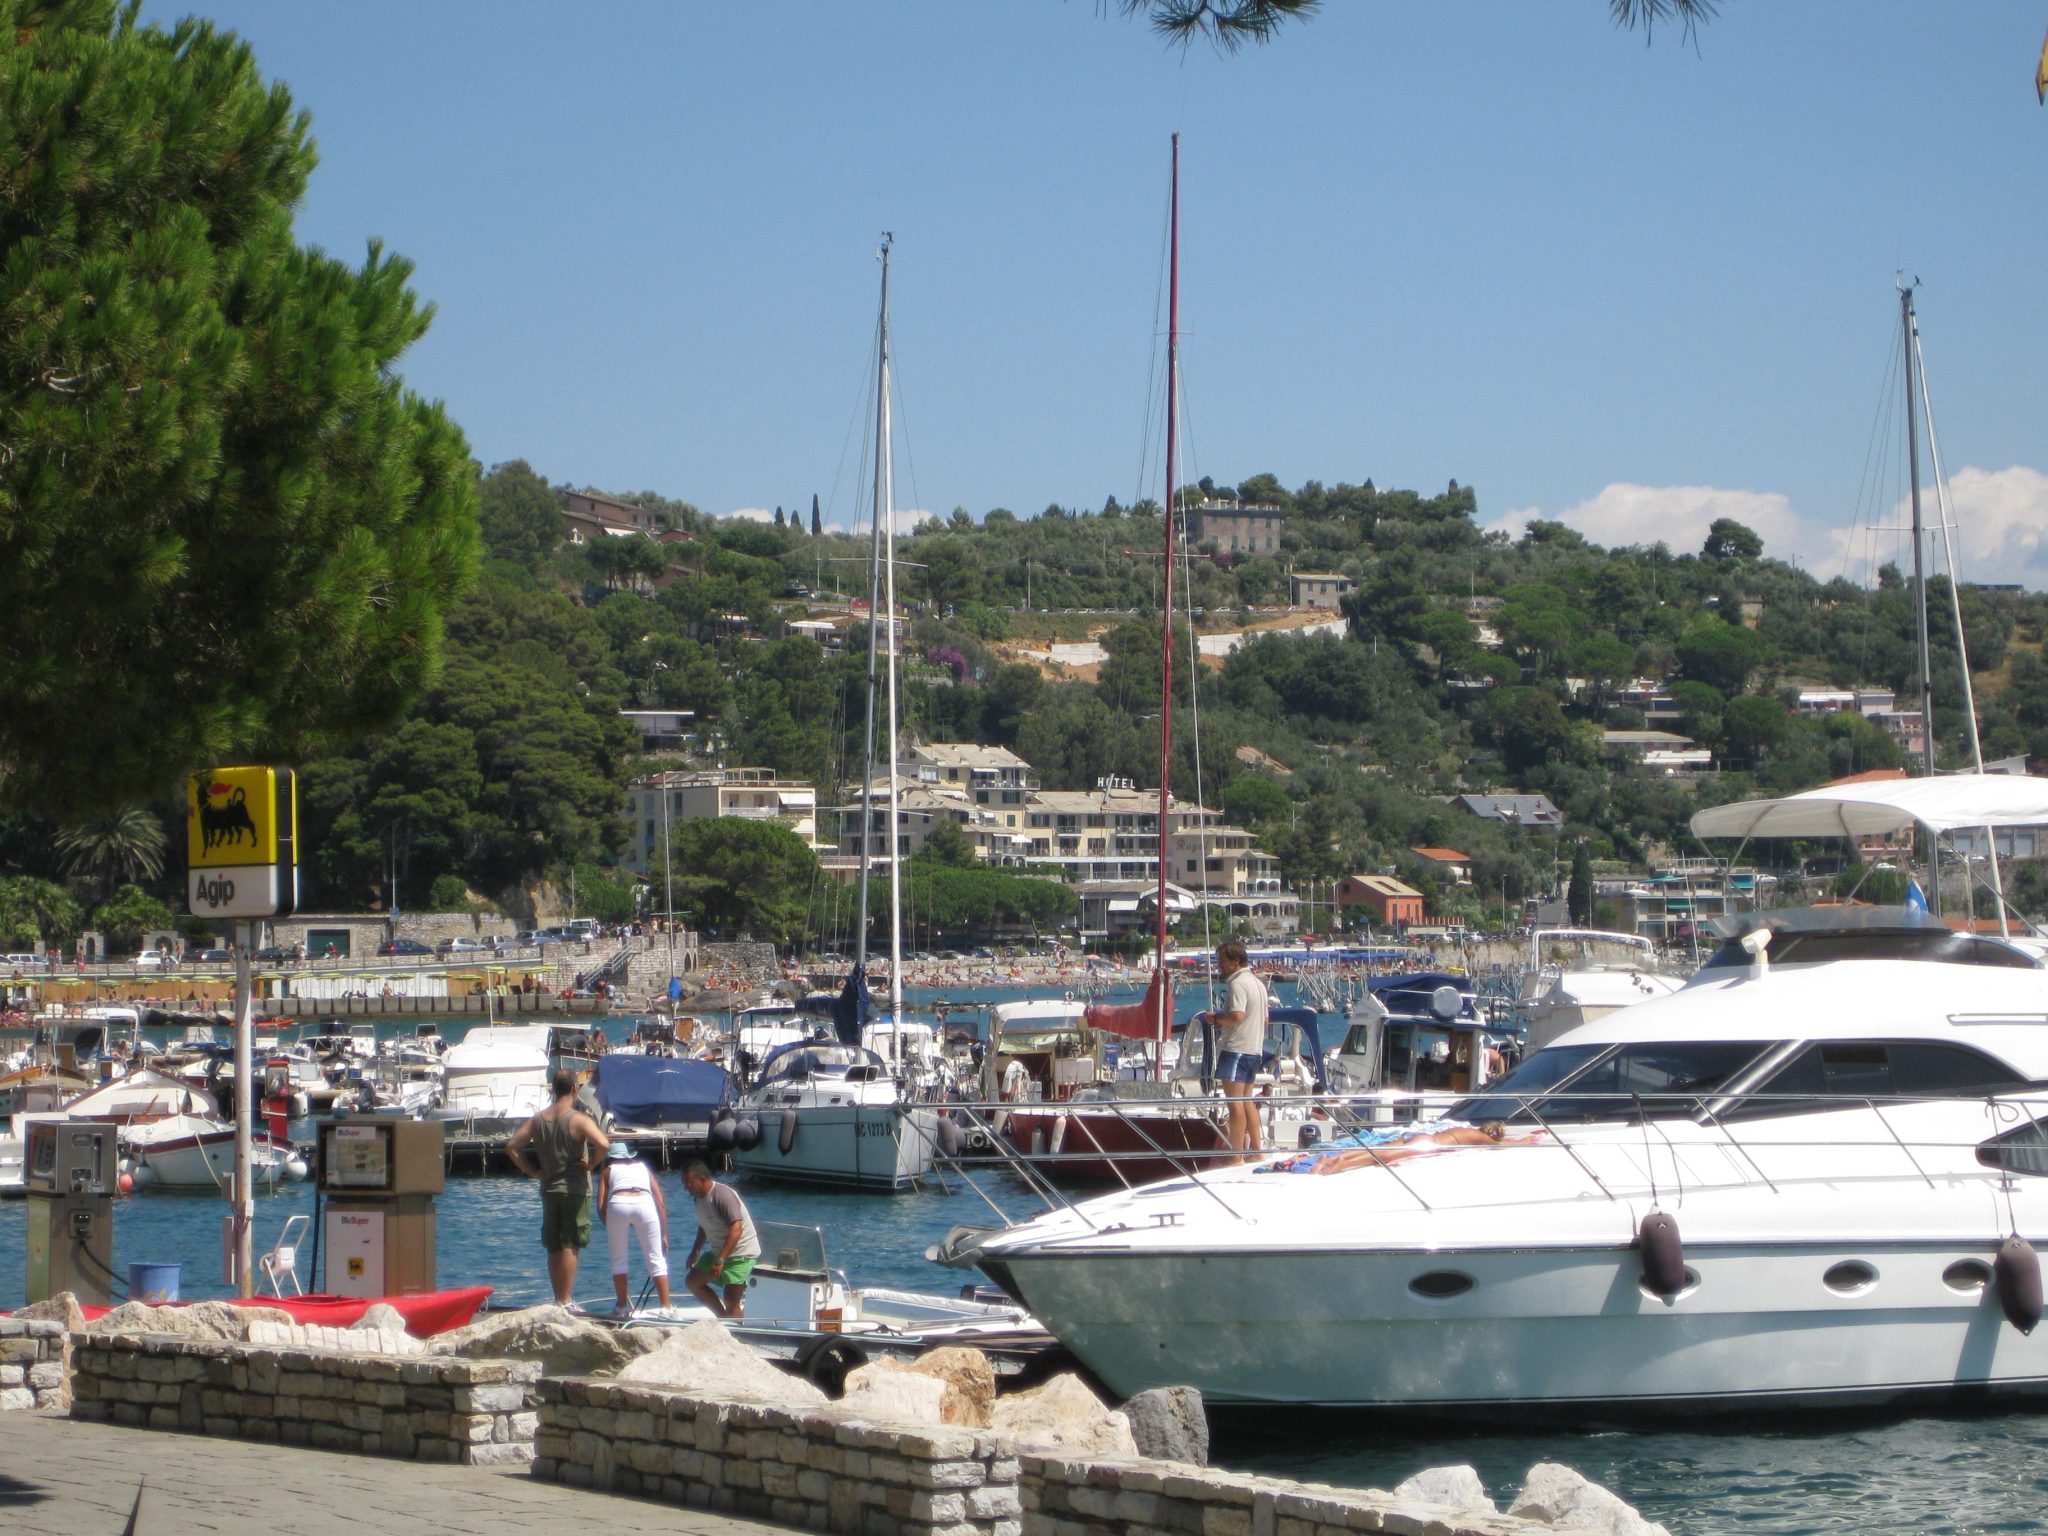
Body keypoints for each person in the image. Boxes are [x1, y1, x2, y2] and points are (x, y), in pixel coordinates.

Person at [505, 1069, 610, 1305]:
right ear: (574, 1088)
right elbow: (603, 1144)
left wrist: (533, 1172)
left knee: (553, 1245)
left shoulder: (538, 1119)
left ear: (554, 1089)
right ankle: (566, 1299)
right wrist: (591, 1164)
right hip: (575, 1189)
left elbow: (511, 1147)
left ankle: (557, 1298)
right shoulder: (579, 1119)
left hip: (549, 1187)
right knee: (571, 1244)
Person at [1202, 939, 1269, 1164]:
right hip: (1254, 1050)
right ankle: (1257, 1151)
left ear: (1236, 962)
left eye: (1222, 961)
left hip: (1236, 1049)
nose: (1219, 965)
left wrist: (1216, 1018)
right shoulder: (1258, 984)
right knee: (1247, 1101)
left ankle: (1237, 1155)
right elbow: (1264, 1020)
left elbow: (1238, 1016)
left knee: (1235, 1103)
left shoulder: (1237, 984)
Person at [596, 1140, 669, 1316]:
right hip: (644, 1202)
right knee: (656, 1258)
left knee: (619, 1260)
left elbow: (600, 1207)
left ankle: (622, 1307)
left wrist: (611, 1226)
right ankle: (666, 1307)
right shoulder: (643, 1167)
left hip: (618, 1203)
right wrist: (664, 1234)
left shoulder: (608, 1170)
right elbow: (660, 1203)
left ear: (610, 1159)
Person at [680, 1160, 760, 1320]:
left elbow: (736, 1228)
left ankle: (739, 1335)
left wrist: (720, 1259)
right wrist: (695, 1251)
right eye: (684, 1184)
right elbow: (704, 1225)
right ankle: (723, 1320)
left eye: (689, 1183)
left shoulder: (722, 1195)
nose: (686, 1188)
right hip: (719, 1252)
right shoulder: (698, 1198)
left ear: (702, 1179)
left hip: (741, 1254)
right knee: (693, 1282)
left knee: (731, 1300)